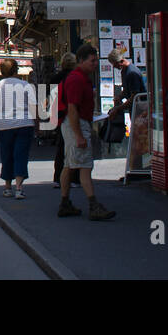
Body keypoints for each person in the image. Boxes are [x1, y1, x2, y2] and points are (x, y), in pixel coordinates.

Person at [57, 43, 114, 220]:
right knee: (85, 166)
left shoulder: (81, 78)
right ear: (81, 61)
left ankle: (65, 203)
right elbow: (72, 108)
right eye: (92, 61)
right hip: (77, 124)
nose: (95, 64)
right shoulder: (77, 79)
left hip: (74, 124)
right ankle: (93, 205)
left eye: (96, 60)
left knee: (70, 165)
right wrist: (79, 135)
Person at [0, 59, 36, 198]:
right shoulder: (26, 85)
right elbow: (34, 107)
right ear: (17, 70)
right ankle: (19, 188)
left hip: (4, 126)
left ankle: (8, 187)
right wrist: (37, 125)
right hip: (25, 124)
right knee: (21, 155)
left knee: (7, 155)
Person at [51, 51, 79, 187]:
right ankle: (73, 178)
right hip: (71, 114)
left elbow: (47, 97)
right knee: (74, 147)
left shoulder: (55, 78)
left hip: (58, 115)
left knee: (61, 147)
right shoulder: (75, 77)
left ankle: (58, 178)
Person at [106, 47, 146, 138]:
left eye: (114, 64)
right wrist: (119, 97)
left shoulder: (132, 73)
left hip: (140, 110)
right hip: (134, 109)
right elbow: (127, 90)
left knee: (140, 135)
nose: (114, 66)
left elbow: (134, 96)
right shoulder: (124, 71)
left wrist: (118, 108)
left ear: (120, 61)